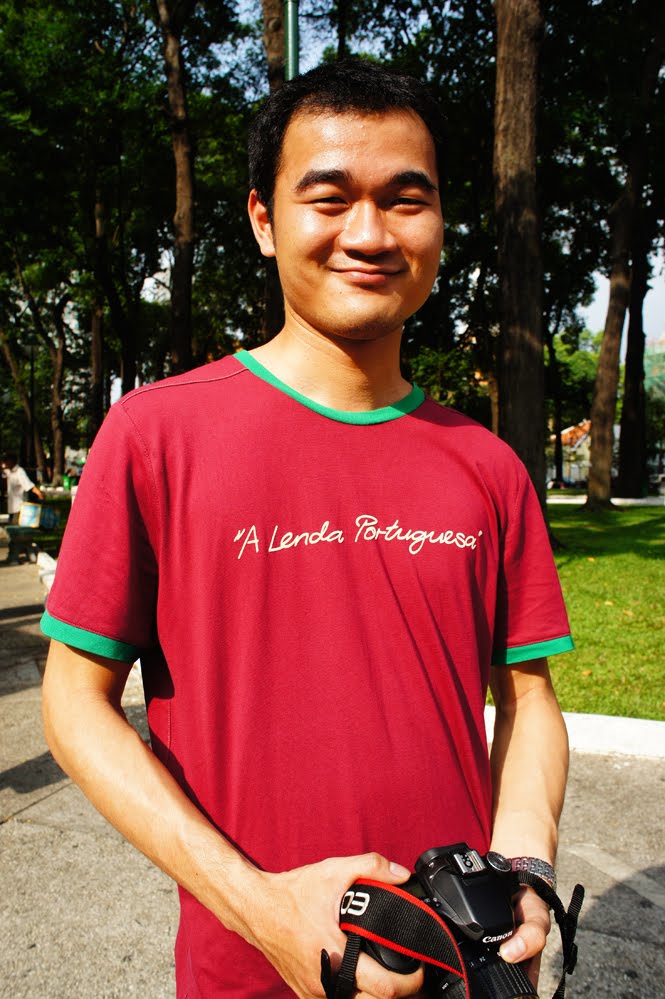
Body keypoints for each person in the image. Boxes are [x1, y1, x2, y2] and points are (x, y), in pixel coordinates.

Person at [41, 60, 573, 999]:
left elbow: (527, 698)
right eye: (329, 199)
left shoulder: (488, 466)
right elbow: (74, 703)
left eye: (405, 200)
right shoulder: (157, 435)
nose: (368, 233)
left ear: (439, 221)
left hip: (462, 960)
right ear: (262, 220)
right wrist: (261, 909)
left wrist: (523, 866)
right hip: (248, 967)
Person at [2, 453, 43, 523]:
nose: (5, 463)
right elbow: (3, 473)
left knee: (16, 526)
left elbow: (29, 485)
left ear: (12, 461)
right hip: (11, 507)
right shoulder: (8, 471)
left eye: (6, 461)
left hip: (19, 508)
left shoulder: (19, 471)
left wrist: (40, 494)